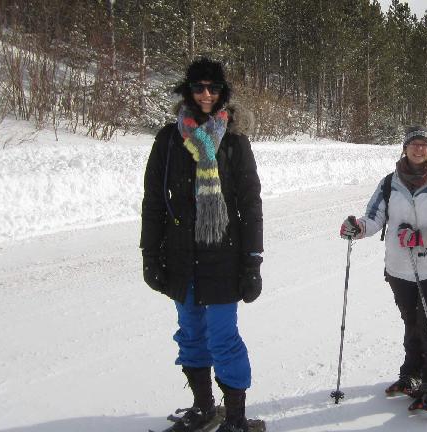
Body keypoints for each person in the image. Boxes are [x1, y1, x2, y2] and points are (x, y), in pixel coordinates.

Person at [140, 58, 264, 432]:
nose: (206, 94)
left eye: (213, 88)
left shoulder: (234, 141)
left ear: (222, 92)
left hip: (223, 256)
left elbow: (250, 204)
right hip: (180, 256)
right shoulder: (168, 139)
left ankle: (237, 419)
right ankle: (204, 407)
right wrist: (150, 254)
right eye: (199, 88)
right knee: (190, 334)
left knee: (223, 337)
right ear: (188, 92)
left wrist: (253, 261)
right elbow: (154, 201)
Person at [339, 125, 427, 412]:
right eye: (413, 144)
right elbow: (373, 217)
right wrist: (356, 228)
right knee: (412, 323)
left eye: (424, 145)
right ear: (405, 148)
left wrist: (425, 237)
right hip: (398, 269)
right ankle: (413, 371)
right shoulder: (388, 184)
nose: (419, 149)